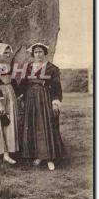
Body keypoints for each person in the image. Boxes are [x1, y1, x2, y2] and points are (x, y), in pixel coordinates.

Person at [21, 42, 64, 171]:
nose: (38, 54)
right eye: (36, 52)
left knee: (46, 126)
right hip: (30, 99)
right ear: (33, 54)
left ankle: (50, 158)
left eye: (40, 51)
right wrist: (22, 98)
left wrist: (55, 103)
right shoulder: (28, 67)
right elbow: (23, 84)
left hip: (45, 99)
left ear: (45, 53)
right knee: (33, 125)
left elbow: (57, 88)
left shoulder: (52, 68)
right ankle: (38, 155)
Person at [0, 43, 20, 167]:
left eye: (8, 52)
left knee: (9, 125)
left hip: (10, 95)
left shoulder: (7, 66)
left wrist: (18, 96)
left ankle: (6, 155)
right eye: (5, 52)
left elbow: (12, 83)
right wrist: (0, 105)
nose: (8, 55)